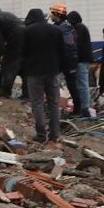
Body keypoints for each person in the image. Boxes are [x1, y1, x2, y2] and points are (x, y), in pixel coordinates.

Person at [21, 8, 64, 144]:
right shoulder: (56, 30)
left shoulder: (27, 31)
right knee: (54, 102)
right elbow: (62, 51)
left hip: (34, 72)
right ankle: (54, 134)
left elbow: (23, 51)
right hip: (52, 71)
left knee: (37, 102)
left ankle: (41, 134)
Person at [49, 3, 81, 118]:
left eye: (52, 13)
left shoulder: (63, 28)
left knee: (72, 85)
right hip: (67, 61)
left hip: (68, 61)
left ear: (57, 14)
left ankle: (78, 110)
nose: (50, 15)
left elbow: (67, 47)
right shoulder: (63, 27)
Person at [69, 11, 94, 116]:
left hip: (81, 60)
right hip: (84, 59)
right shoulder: (82, 27)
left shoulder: (78, 28)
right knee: (82, 84)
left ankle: (85, 108)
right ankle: (84, 107)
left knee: (82, 84)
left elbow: (77, 44)